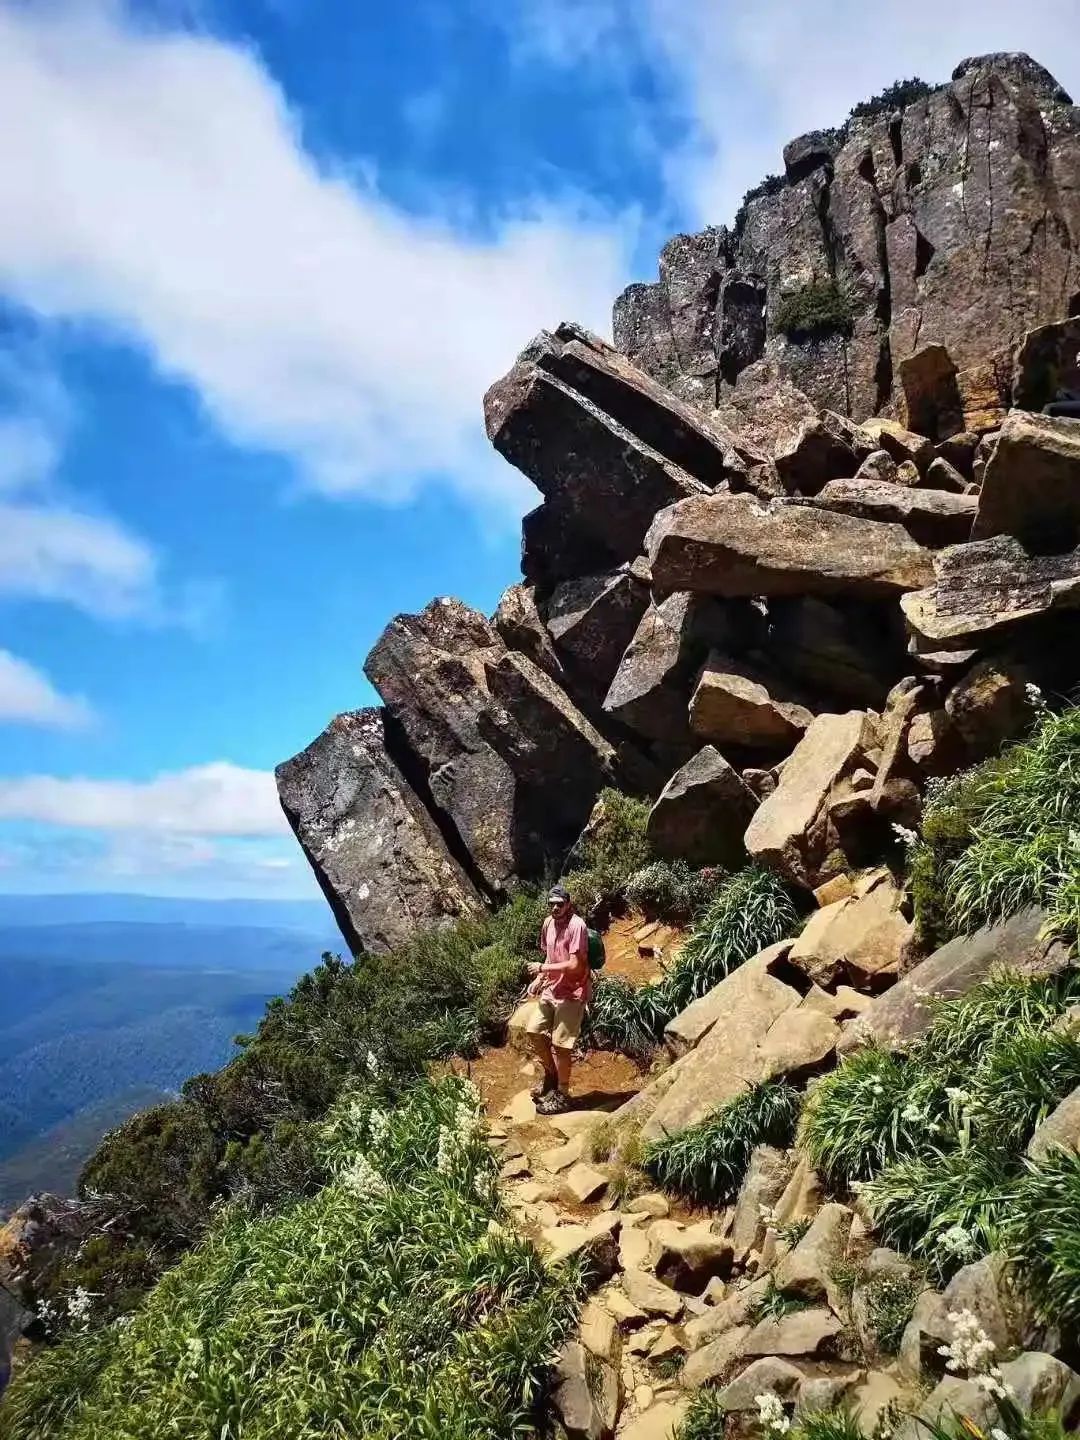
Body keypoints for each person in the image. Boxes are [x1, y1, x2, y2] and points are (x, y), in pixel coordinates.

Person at [524, 884, 590, 1115]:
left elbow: (574, 965)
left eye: (559, 904)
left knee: (561, 1045)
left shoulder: (577, 925)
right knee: (533, 1030)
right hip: (552, 989)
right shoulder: (548, 923)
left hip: (573, 992)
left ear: (568, 904)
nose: (555, 908)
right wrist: (541, 978)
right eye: (551, 904)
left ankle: (563, 1094)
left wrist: (543, 967)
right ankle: (551, 1075)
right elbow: (550, 954)